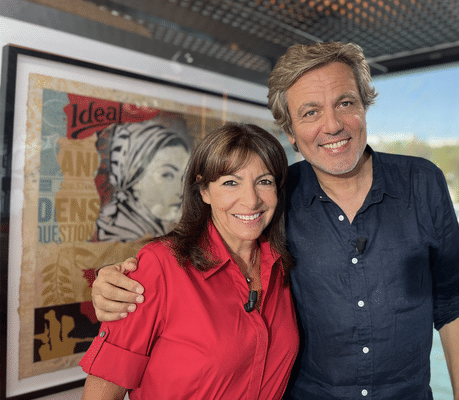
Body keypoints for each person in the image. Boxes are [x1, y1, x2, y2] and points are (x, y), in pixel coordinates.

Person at [91, 42, 459, 400]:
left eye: (345, 103)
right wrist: (118, 280)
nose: (332, 125)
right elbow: (197, 253)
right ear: (291, 132)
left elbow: (452, 298)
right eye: (310, 112)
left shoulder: (423, 182)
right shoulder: (281, 195)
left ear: (364, 107)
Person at [80, 123, 299, 399]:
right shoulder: (158, 267)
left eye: (264, 181)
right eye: (231, 182)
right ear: (204, 191)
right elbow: (102, 393)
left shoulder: (282, 266)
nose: (252, 200)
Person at [93, 120, 193, 242]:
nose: (182, 190)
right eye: (167, 175)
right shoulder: (117, 238)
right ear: (133, 179)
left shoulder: (156, 230)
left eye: (184, 176)